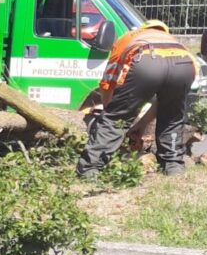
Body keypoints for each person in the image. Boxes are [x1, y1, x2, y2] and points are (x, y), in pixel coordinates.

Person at [77, 18, 196, 179]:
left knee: (116, 117)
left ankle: (89, 169)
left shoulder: (129, 37)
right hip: (185, 64)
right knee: (172, 118)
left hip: (147, 60)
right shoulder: (173, 41)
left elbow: (107, 83)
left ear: (143, 29)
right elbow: (162, 103)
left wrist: (111, 114)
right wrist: (141, 125)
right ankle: (173, 166)